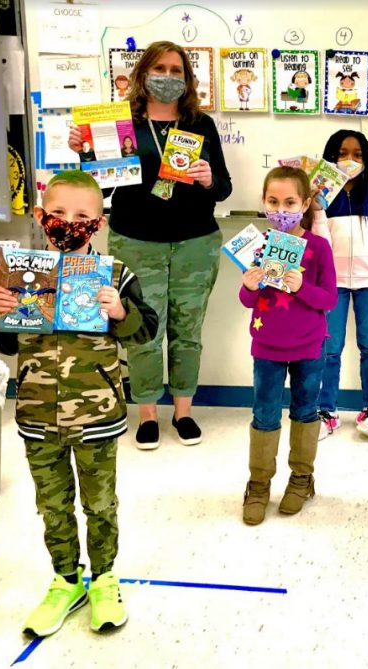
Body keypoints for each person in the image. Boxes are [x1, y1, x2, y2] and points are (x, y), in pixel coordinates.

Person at [0, 170, 157, 637]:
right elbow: (8, 345)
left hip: (98, 416)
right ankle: (66, 580)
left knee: (100, 504)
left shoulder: (116, 274)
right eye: (57, 214)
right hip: (36, 416)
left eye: (81, 216)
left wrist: (119, 311)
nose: (68, 223)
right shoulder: (20, 275)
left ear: (98, 224)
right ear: (39, 216)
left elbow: (146, 330)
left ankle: (105, 578)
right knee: (52, 506)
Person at [69, 40, 232, 450]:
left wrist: (208, 178)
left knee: (187, 330)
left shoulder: (200, 124)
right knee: (141, 329)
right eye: (160, 68)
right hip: (136, 242)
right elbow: (100, 186)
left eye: (177, 71)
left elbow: (224, 189)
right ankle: (146, 412)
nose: (168, 77)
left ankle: (183, 411)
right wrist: (84, 153)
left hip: (196, 242)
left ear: (188, 79)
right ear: (143, 74)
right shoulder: (121, 123)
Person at [238, 167, 336, 523]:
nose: (282, 209)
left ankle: (301, 477)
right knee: (264, 414)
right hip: (266, 346)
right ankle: (259, 483)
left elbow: (329, 300)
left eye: (290, 202)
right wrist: (249, 286)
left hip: (310, 346)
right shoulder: (258, 245)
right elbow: (247, 301)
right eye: (273, 201)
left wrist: (301, 287)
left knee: (305, 411)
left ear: (306, 203)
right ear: (263, 203)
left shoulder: (319, 247)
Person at [315, 129, 368, 441]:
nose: (350, 160)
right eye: (343, 153)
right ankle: (327, 411)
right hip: (332, 285)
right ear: (331, 158)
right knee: (330, 348)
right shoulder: (322, 198)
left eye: (358, 154)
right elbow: (320, 245)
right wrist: (316, 206)